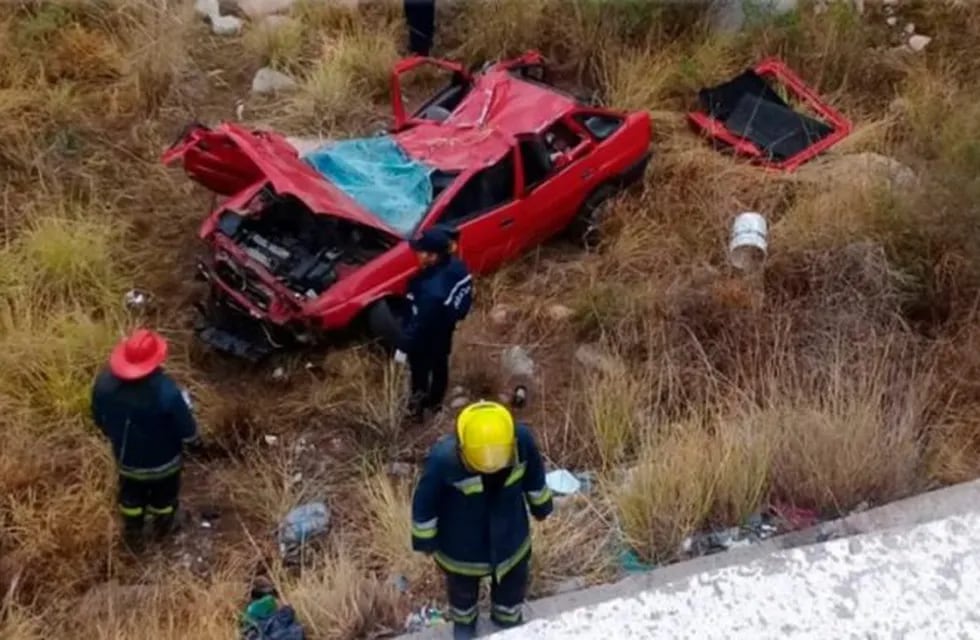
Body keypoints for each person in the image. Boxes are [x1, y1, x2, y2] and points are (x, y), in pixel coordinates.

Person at [410, 401, 553, 639]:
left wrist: (542, 507)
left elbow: (535, 477)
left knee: (512, 585)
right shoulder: (444, 459)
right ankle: (464, 623)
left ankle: (508, 619)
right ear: (462, 448)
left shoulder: (522, 442)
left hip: (511, 539)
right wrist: (426, 540)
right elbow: (425, 501)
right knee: (462, 591)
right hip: (462, 547)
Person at [91, 329, 200, 549]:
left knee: (130, 498)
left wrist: (115, 435)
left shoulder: (103, 384)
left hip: (127, 461)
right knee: (164, 499)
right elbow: (187, 428)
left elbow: (98, 418)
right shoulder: (166, 392)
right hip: (165, 463)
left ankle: (133, 533)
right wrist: (194, 442)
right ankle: (163, 528)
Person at [396, 227, 473, 422]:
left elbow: (420, 323)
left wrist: (404, 346)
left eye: (420, 251)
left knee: (420, 372)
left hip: (427, 334)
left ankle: (417, 409)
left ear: (432, 256)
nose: (416, 254)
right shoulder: (457, 267)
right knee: (440, 364)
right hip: (445, 327)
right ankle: (436, 402)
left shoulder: (431, 290)